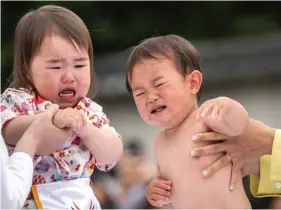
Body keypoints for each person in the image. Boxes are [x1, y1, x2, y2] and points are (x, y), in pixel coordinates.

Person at [1, 5, 123, 209]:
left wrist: (87, 130)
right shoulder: (20, 101)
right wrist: (49, 121)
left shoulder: (89, 110)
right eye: (56, 66)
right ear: (26, 68)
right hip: (31, 198)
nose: (69, 76)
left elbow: (112, 153)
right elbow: (8, 130)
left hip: (80, 199)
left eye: (79, 65)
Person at [125, 34, 251, 208]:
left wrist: (228, 105)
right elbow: (167, 191)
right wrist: (155, 192)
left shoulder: (205, 119)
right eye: (140, 93)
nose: (151, 97)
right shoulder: (159, 142)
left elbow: (240, 125)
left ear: (193, 83)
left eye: (159, 84)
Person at [1, 104, 70, 209]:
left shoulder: (91, 110)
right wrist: (33, 136)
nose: (68, 85)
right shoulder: (18, 99)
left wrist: (86, 128)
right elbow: (7, 199)